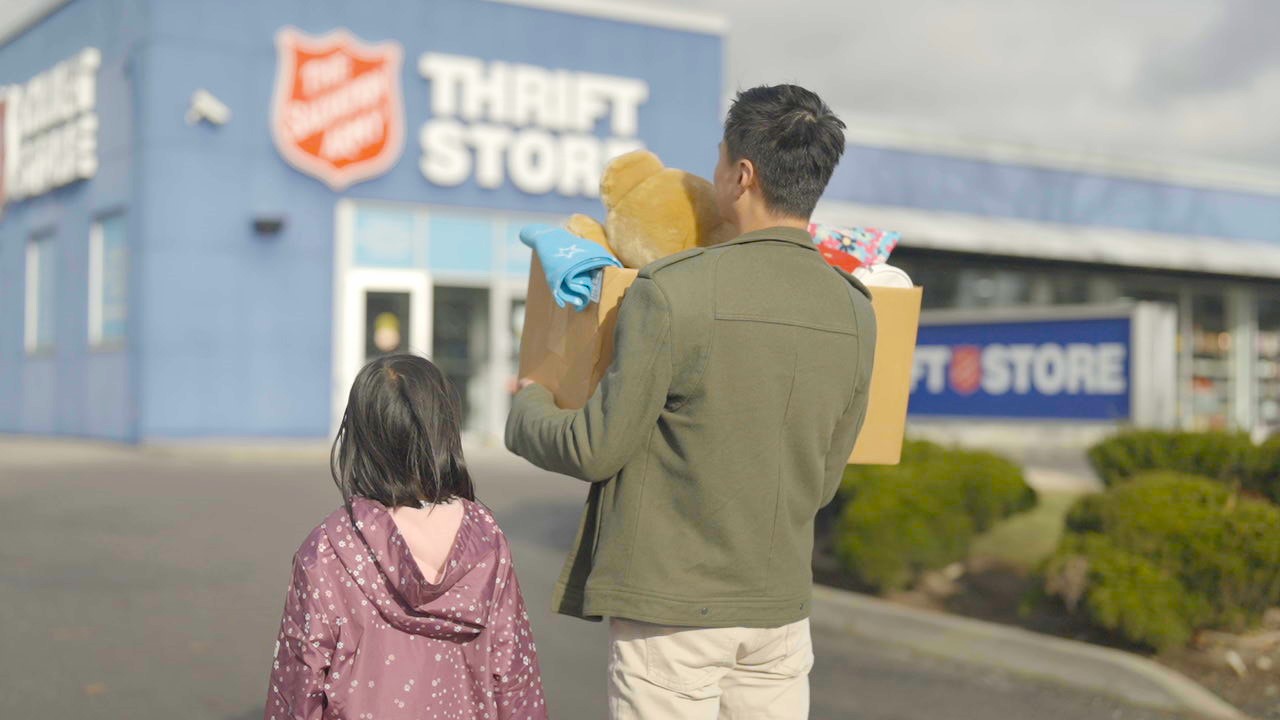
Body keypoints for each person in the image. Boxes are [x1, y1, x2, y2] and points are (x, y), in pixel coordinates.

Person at [505, 84, 876, 719]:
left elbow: (597, 446)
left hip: (672, 618)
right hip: (780, 615)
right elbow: (820, 481)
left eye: (719, 159)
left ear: (742, 174)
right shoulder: (856, 309)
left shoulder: (672, 292)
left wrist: (529, 406)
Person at [264, 354, 547, 720]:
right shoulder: (486, 541)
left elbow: (299, 687)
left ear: (360, 436)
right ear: (443, 427)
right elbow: (515, 678)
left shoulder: (329, 549)